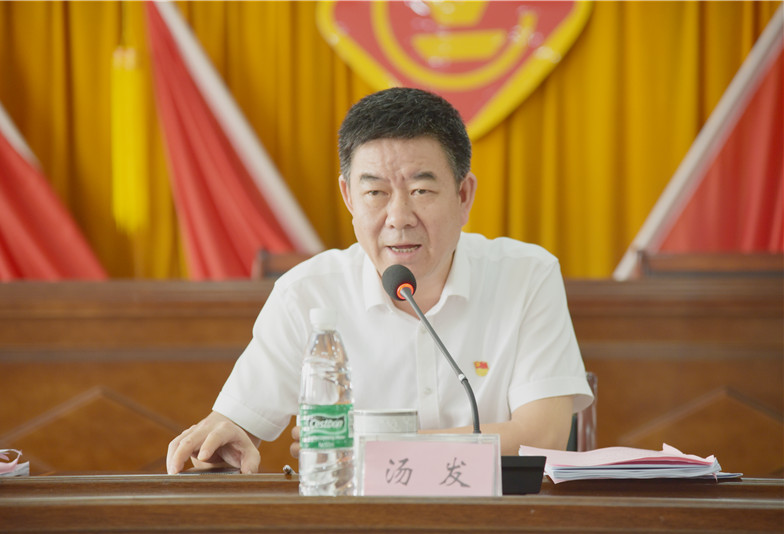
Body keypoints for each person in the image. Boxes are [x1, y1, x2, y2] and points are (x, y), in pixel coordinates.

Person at [166, 87, 593, 475]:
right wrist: (220, 439)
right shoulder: (306, 293)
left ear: (463, 196)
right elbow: (234, 424)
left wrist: (369, 447)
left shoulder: (526, 275)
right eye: (375, 193)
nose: (399, 218)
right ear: (349, 197)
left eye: (421, 191)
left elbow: (543, 436)